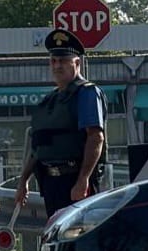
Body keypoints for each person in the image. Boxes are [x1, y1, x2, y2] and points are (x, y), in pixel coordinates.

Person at [15, 29, 107, 218]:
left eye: (63, 60)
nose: (57, 66)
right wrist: (23, 180)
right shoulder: (50, 100)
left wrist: (83, 180)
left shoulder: (87, 93)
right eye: (53, 61)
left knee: (78, 234)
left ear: (77, 63)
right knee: (56, 234)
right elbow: (38, 146)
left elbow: (95, 138)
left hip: (74, 180)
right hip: (51, 183)